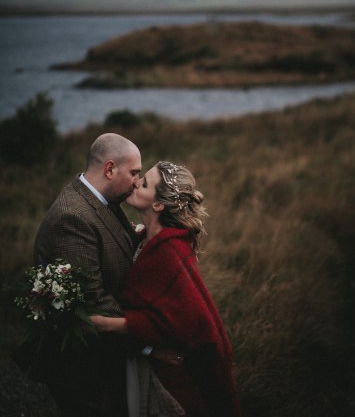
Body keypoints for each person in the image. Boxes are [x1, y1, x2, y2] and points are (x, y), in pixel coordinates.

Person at [31, 133, 180, 417]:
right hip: (82, 365)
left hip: (105, 357)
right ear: (110, 169)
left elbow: (114, 247)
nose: (137, 182)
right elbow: (93, 301)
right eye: (134, 173)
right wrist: (150, 346)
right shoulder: (71, 217)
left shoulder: (103, 199)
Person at [91, 161, 241, 417]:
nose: (136, 182)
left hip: (173, 378)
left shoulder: (170, 250)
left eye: (145, 183)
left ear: (158, 205)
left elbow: (183, 319)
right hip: (146, 358)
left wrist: (107, 324)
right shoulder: (144, 238)